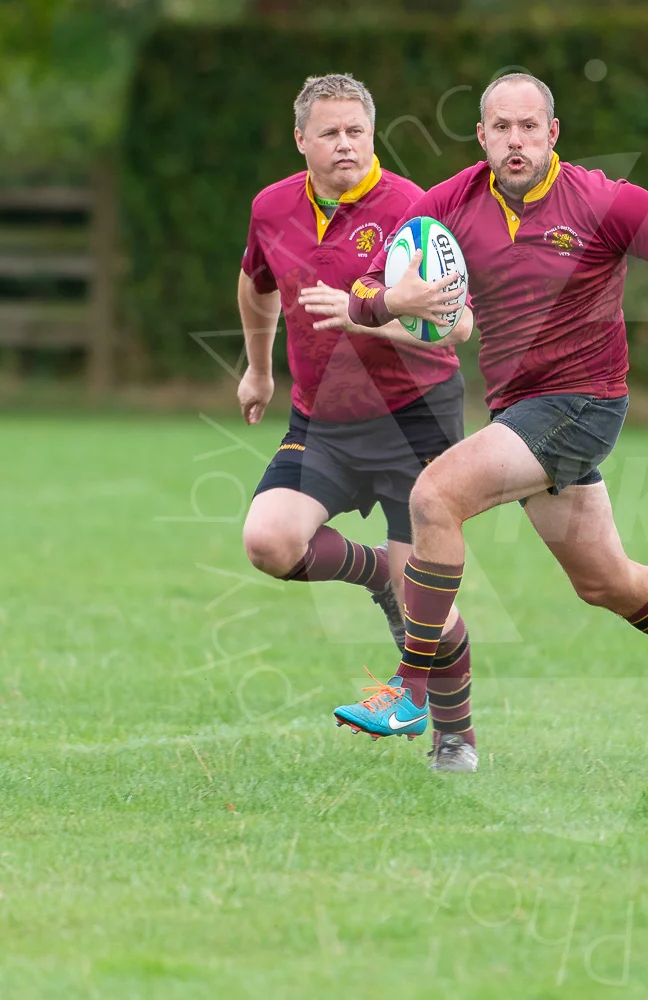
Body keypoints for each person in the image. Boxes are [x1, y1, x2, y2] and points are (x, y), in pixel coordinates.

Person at [313, 73, 648, 766]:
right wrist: (391, 301)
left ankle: (409, 689)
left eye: (529, 126)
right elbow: (364, 292)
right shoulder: (451, 203)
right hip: (521, 411)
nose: (516, 140)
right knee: (607, 582)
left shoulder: (601, 200)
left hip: (582, 405)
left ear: (553, 133)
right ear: (482, 136)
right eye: (501, 127)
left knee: (435, 497)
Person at [237, 73, 481, 772]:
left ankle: (455, 737)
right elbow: (255, 286)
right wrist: (259, 369)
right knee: (269, 542)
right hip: (322, 421)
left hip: (415, 424)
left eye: (357, 132)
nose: (345, 145)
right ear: (301, 140)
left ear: (371, 136)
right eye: (330, 133)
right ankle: (374, 572)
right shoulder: (272, 208)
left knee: (425, 604)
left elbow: (457, 324)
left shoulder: (412, 209)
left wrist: (368, 309)